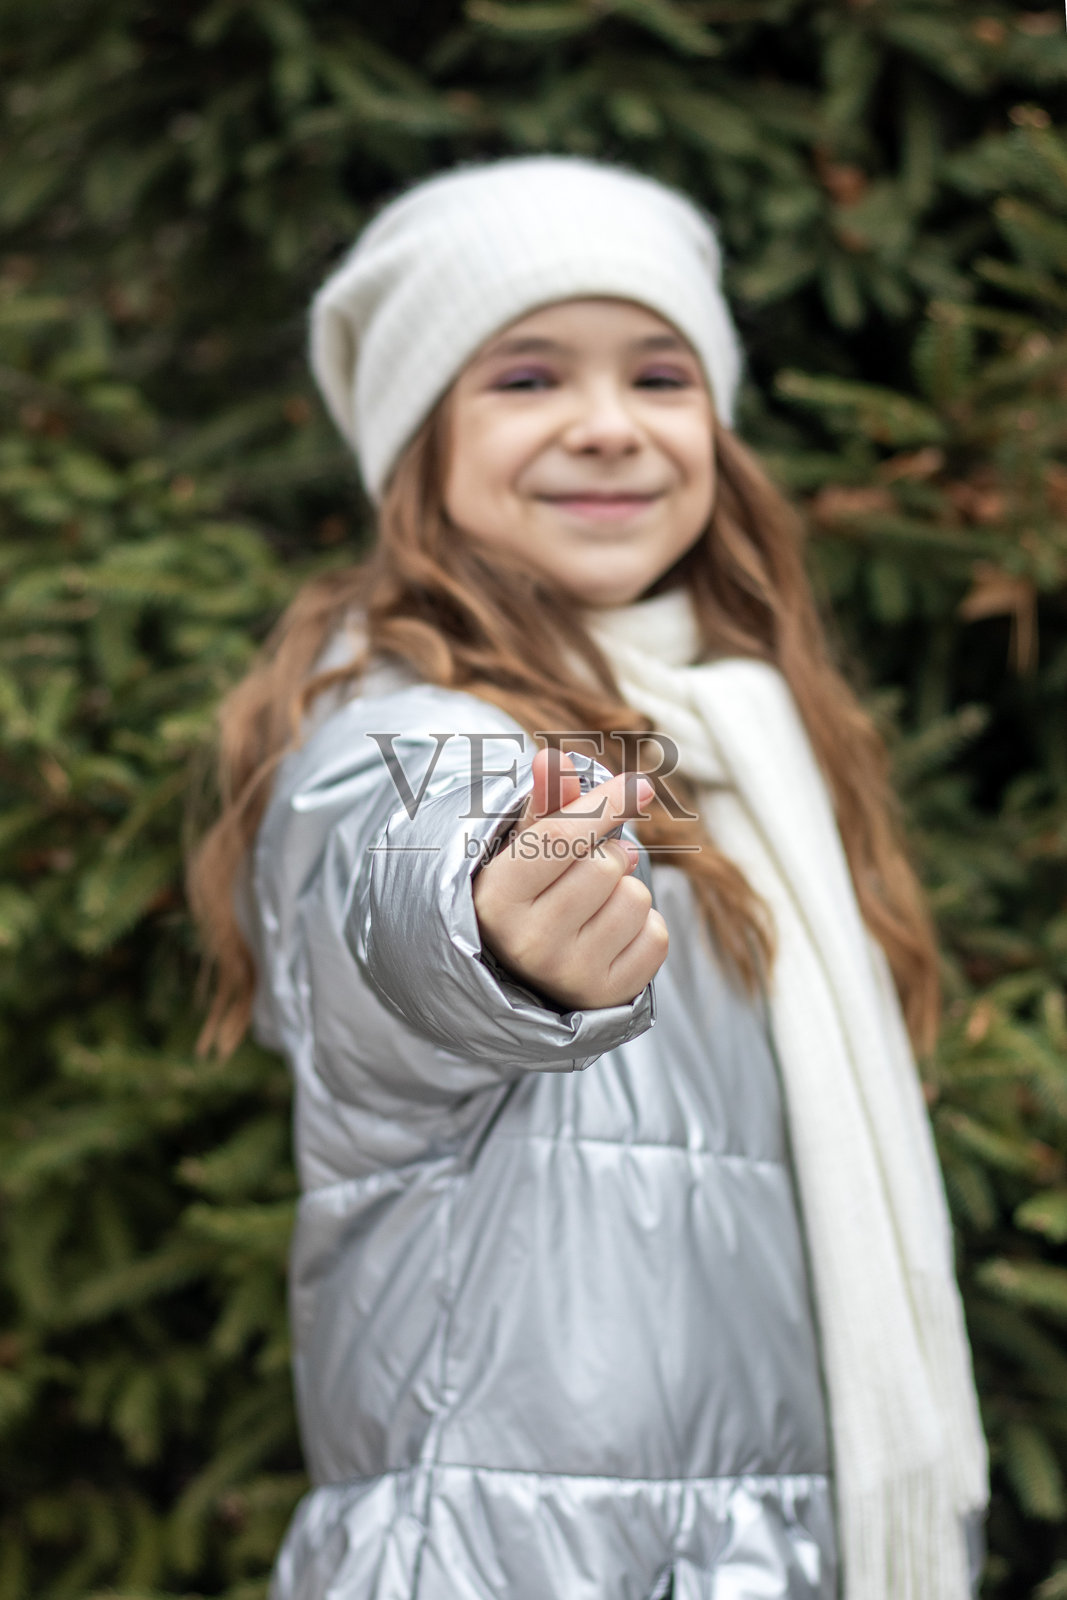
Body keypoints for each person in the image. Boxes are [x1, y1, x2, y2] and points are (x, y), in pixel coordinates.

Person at [187, 155, 989, 1600]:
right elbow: (390, 898)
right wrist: (488, 927)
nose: (608, 428)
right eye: (529, 378)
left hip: (746, 1551)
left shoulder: (745, 739)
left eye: (660, 376)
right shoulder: (410, 720)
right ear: (416, 443)